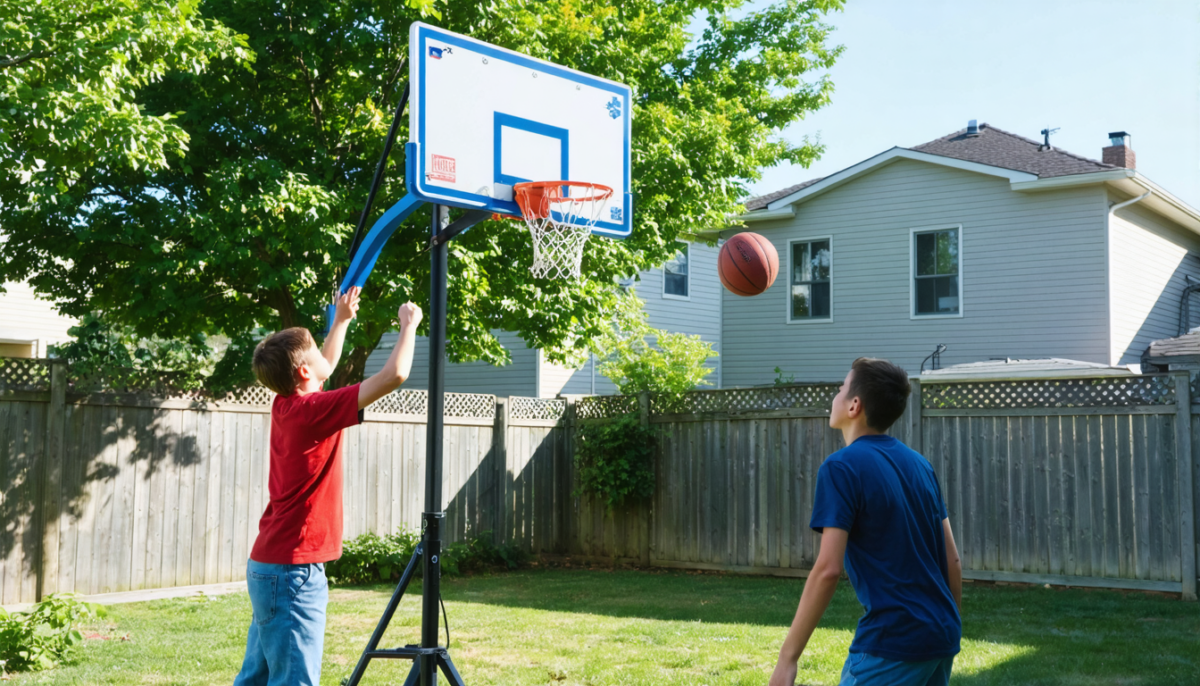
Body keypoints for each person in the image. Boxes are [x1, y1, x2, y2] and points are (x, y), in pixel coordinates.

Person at [233, 287, 423, 686]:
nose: (325, 356)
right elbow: (394, 376)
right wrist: (409, 325)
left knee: (257, 676)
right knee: (294, 680)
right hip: (293, 572)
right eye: (315, 354)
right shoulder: (313, 411)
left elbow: (326, 363)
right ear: (304, 372)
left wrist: (341, 320)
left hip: (270, 564)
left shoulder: (287, 403)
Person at [769, 357, 963, 686]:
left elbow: (828, 570)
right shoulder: (920, 465)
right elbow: (953, 561)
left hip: (893, 642)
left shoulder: (841, 468)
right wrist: (947, 624)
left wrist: (787, 659)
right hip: (942, 637)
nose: (835, 395)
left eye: (841, 389)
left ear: (854, 405)